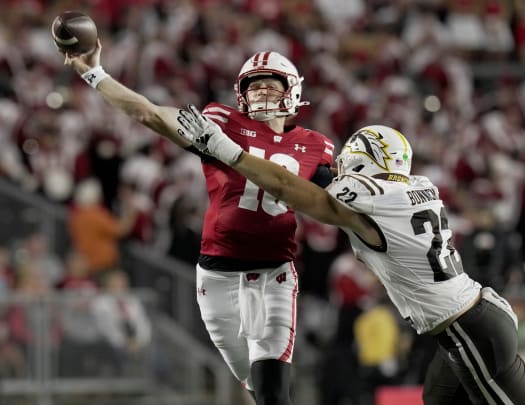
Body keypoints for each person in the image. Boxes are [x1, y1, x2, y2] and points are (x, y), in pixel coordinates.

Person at [177, 111, 525, 404]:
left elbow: (292, 187)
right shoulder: (420, 186)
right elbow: (331, 183)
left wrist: (230, 152)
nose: (338, 170)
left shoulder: (368, 196)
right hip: (476, 316)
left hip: (468, 331)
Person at [63, 39, 335, 405]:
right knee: (252, 384)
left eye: (271, 83)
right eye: (253, 84)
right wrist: (94, 72)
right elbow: (150, 114)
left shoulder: (316, 145)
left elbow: (335, 202)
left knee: (273, 390)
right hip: (217, 274)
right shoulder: (221, 122)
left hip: (275, 274)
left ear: (293, 91)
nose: (261, 91)